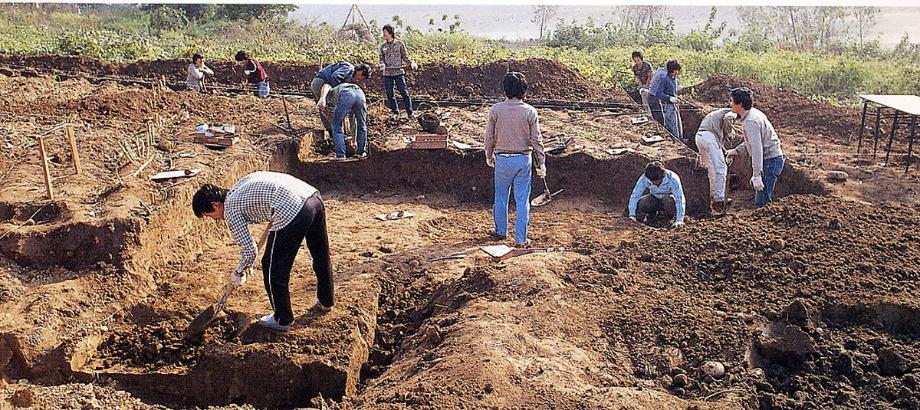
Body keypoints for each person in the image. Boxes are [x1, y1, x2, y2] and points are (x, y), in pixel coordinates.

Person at [192, 172, 334, 332]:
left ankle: (282, 319)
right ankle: (326, 301)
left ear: (215, 204)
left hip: (292, 209)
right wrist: (246, 263)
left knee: (272, 266)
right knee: (320, 254)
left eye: (211, 216)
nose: (216, 220)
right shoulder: (239, 187)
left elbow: (250, 250)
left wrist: (239, 272)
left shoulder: (230, 209)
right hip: (313, 198)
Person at [484, 72, 546, 247]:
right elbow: (536, 140)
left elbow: (489, 137)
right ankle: (521, 239)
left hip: (502, 159)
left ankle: (500, 231)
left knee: (501, 196)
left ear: (505, 90)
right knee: (522, 200)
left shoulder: (496, 110)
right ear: (523, 91)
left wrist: (488, 155)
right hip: (523, 160)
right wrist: (541, 163)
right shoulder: (530, 111)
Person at [724, 87, 785, 208]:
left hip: (770, 160)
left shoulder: (751, 122)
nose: (730, 104)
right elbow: (751, 142)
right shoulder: (752, 114)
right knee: (760, 200)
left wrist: (756, 174)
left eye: (731, 101)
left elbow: (757, 149)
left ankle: (766, 224)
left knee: (763, 202)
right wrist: (736, 151)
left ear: (740, 104)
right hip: (770, 159)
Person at [695, 108, 738, 213]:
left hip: (699, 138)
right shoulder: (732, 112)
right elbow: (728, 119)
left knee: (711, 169)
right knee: (721, 168)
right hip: (709, 138)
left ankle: (711, 194)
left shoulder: (716, 114)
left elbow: (718, 142)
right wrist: (730, 131)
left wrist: (725, 154)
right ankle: (719, 199)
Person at [314, 62, 371, 139]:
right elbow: (335, 76)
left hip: (325, 85)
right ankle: (335, 134)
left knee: (326, 109)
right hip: (321, 82)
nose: (360, 80)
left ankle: (333, 133)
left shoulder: (351, 76)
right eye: (362, 78)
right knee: (328, 108)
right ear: (360, 72)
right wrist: (336, 93)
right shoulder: (348, 68)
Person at [627, 161, 686, 228]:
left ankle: (668, 218)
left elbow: (680, 199)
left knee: (669, 202)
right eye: (651, 181)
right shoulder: (644, 178)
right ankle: (651, 216)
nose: (653, 183)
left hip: (667, 199)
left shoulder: (672, 179)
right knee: (641, 203)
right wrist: (632, 215)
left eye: (656, 181)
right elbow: (635, 196)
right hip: (654, 197)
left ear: (663, 176)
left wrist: (679, 220)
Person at [318, 82, 368, 160]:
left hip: (347, 93)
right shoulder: (339, 91)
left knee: (336, 125)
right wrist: (354, 139)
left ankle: (340, 155)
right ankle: (361, 152)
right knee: (361, 124)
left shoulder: (330, 94)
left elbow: (326, 85)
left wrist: (322, 98)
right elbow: (353, 121)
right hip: (360, 93)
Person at [380, 24, 418, 121]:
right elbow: (381, 59)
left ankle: (410, 113)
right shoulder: (383, 46)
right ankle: (395, 112)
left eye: (385, 32)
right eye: (383, 32)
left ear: (390, 33)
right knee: (390, 94)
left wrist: (412, 63)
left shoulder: (399, 44)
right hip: (388, 74)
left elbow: (405, 57)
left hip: (398, 72)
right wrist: (383, 65)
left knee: (404, 93)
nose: (384, 34)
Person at [648, 59, 683, 140]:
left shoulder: (673, 78)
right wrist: (669, 98)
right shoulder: (665, 78)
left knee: (678, 124)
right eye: (677, 70)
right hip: (668, 105)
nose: (678, 72)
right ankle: (676, 141)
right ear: (673, 70)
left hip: (674, 104)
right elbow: (659, 93)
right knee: (672, 124)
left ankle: (680, 139)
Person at [631, 51, 652, 115]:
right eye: (635, 61)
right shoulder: (635, 67)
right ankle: (647, 112)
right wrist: (641, 86)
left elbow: (650, 76)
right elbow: (638, 78)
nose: (637, 62)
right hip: (642, 84)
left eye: (638, 60)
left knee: (649, 96)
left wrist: (646, 85)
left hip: (650, 83)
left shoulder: (647, 65)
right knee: (643, 94)